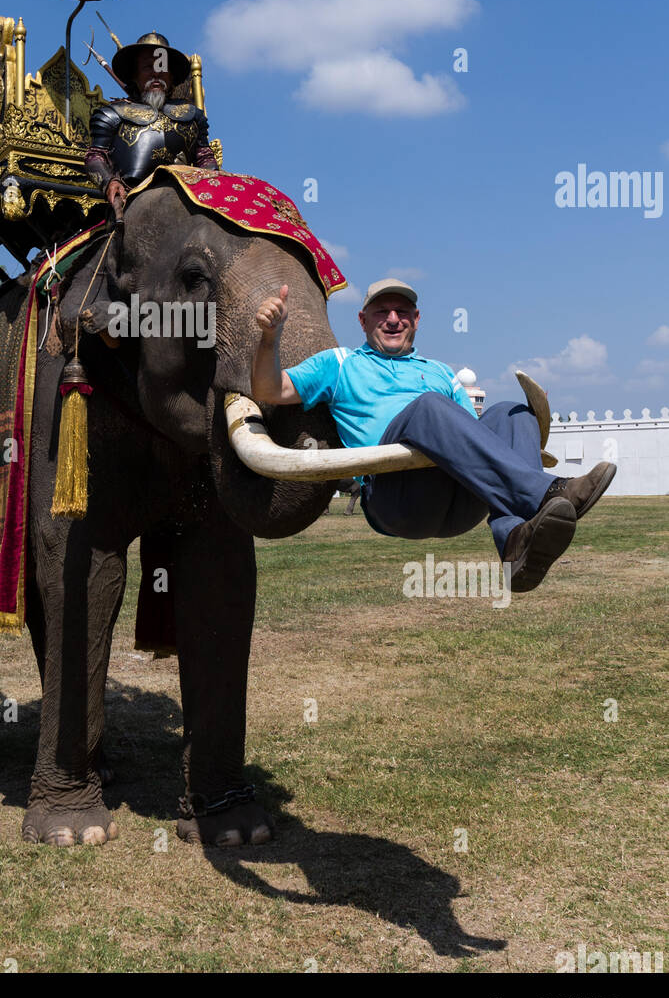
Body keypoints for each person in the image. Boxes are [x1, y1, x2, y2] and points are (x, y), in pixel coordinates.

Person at [251, 276, 617, 592]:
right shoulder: (340, 363)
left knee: (512, 411)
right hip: (395, 498)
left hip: (459, 501)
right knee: (427, 407)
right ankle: (546, 492)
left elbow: (472, 434)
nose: (393, 319)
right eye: (382, 311)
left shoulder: (442, 373)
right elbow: (270, 390)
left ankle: (514, 543)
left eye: (403, 312)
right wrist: (270, 338)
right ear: (362, 321)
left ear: (417, 320)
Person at [85, 31, 217, 221]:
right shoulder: (112, 114)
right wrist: (109, 181)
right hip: (132, 201)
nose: (156, 73)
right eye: (148, 67)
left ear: (171, 76)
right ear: (135, 75)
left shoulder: (192, 116)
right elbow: (94, 156)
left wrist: (210, 178)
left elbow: (204, 156)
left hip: (188, 201)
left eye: (162, 67)